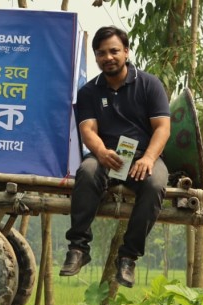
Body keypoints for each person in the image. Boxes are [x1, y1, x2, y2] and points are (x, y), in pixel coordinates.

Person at [58, 26, 170, 288]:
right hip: (105, 155)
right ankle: (78, 248)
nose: (108, 57)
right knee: (87, 171)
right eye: (101, 53)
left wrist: (149, 158)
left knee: (155, 184)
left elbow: (163, 128)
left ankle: (128, 257)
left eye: (114, 51)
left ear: (126, 52)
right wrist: (100, 152)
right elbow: (88, 130)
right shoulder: (89, 92)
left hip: (143, 157)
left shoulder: (150, 84)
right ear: (96, 57)